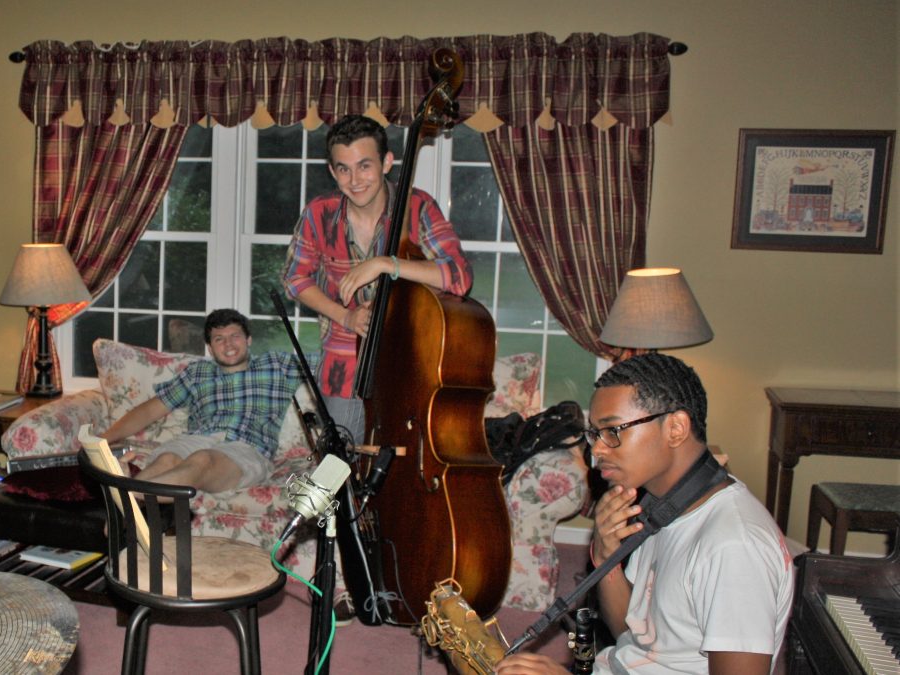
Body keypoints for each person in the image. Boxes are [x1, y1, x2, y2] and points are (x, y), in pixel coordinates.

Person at [496, 353, 794, 675]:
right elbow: (633, 633)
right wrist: (606, 557)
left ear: (676, 428)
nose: (596, 450)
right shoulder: (660, 506)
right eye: (594, 434)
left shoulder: (735, 547)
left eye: (612, 430)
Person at [281, 114, 473, 443]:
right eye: (343, 168)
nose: (354, 180)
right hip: (343, 368)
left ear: (386, 162)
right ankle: (316, 498)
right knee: (336, 473)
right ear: (332, 170)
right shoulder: (318, 213)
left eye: (364, 166)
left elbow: (458, 276)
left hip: (409, 366)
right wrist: (346, 316)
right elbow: (294, 280)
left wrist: (386, 264)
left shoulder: (418, 206)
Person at [102, 309, 305, 493]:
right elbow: (149, 411)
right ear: (209, 347)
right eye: (219, 339)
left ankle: (128, 495)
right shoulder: (197, 373)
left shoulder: (277, 366)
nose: (228, 345)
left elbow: (330, 370)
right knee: (167, 459)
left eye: (235, 336)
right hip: (196, 439)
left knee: (202, 459)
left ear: (248, 339)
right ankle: (123, 512)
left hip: (247, 448)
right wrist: (103, 440)